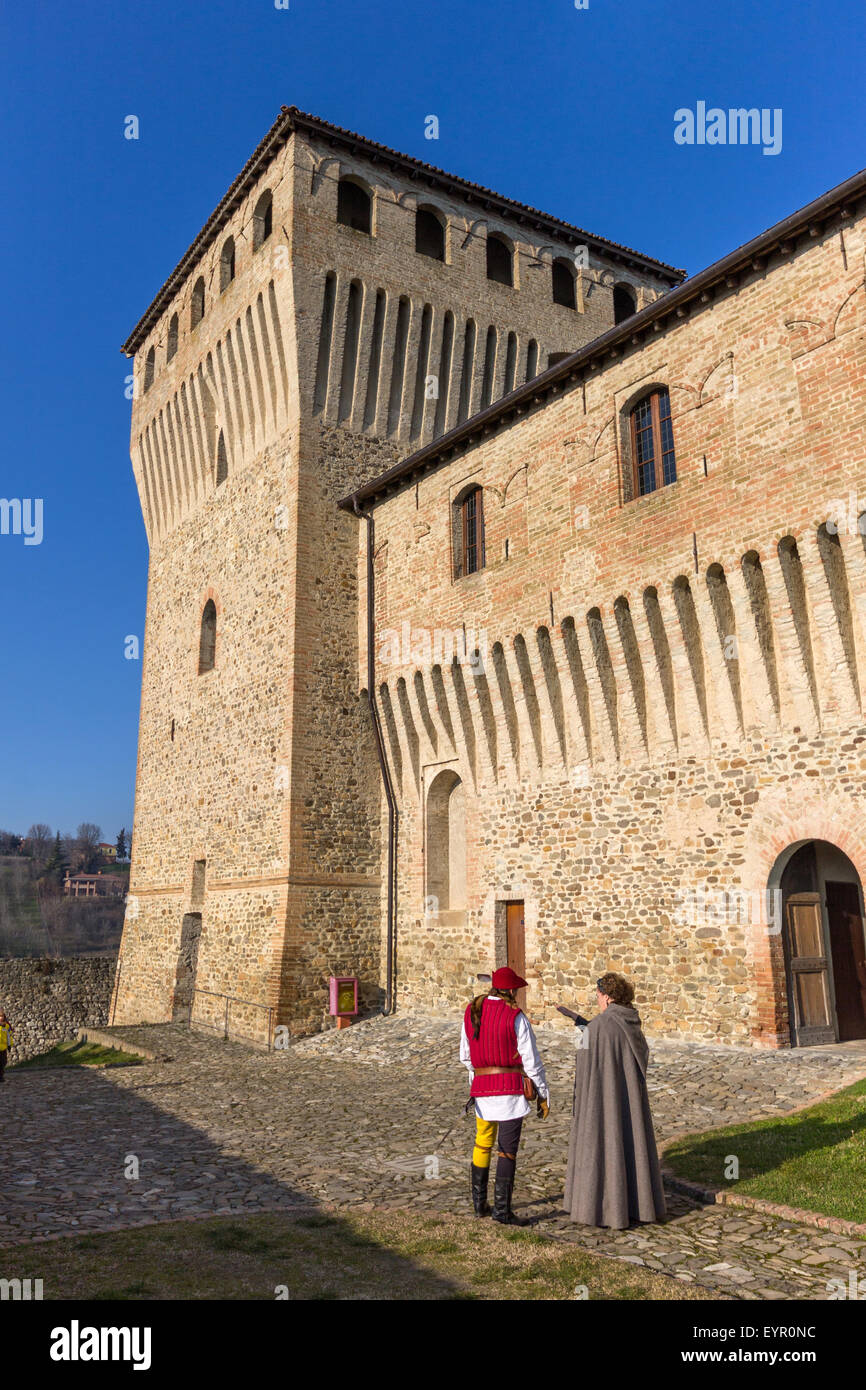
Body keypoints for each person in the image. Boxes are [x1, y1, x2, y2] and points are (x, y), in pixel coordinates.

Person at [562, 972, 666, 1229]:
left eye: (598, 996)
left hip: (599, 1099)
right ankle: (635, 1204)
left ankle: (599, 1208)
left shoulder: (597, 1028)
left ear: (607, 997)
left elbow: (585, 1070)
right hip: (628, 1098)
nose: (597, 1000)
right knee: (630, 1144)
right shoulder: (632, 1023)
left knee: (601, 1145)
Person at [460, 966, 549, 1226]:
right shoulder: (515, 1016)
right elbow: (532, 1062)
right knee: (507, 1151)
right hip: (509, 1091)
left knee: (482, 1143)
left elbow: (465, 1056)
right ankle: (501, 1211)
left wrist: (479, 1077)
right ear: (510, 990)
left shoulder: (471, 1012)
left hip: (482, 1090)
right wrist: (543, 1094)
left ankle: (479, 1205)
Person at [0, 1012, 12, 1083]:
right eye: (0, 1016)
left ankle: (1, 1076)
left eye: (2, 1016)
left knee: (3, 1062)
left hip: (3, 1047)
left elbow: (8, 1036)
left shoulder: (7, 1026)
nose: (1, 1018)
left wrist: (9, 1045)